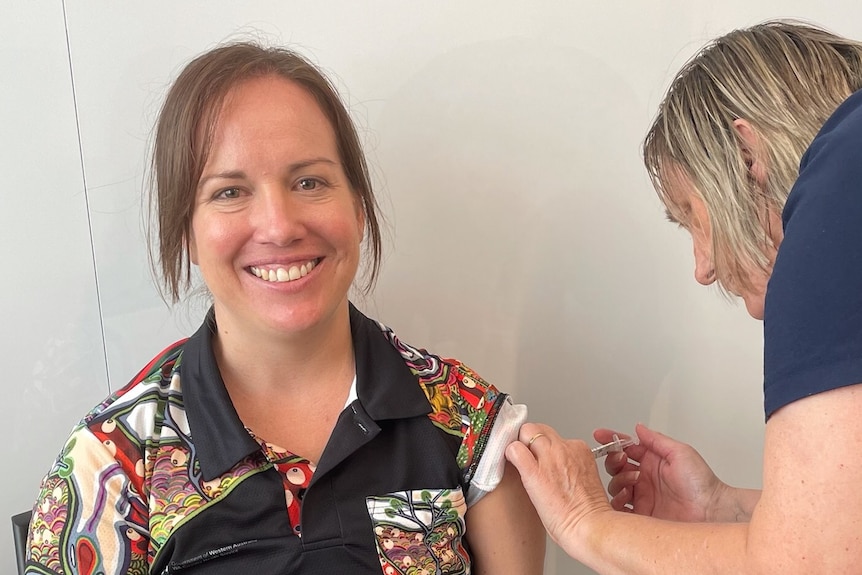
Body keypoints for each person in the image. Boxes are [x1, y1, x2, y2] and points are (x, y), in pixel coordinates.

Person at [23, 42, 545, 574]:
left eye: (309, 182)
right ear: (187, 235)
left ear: (359, 209)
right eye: (229, 192)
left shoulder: (470, 421)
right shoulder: (108, 464)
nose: (279, 226)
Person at [506, 20, 862, 574]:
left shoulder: (838, 199)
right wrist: (722, 507)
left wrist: (586, 523)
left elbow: (808, 565)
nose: (703, 267)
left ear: (748, 156)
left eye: (692, 218)